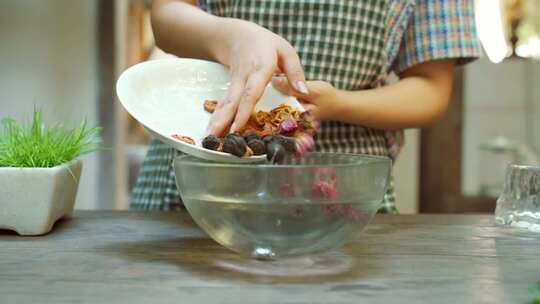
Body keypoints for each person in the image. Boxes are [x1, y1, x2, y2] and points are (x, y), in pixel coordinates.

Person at [131, 0, 482, 213]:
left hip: (338, 195)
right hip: (199, 172)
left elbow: (432, 89)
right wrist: (234, 38)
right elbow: (166, 16)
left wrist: (338, 104)